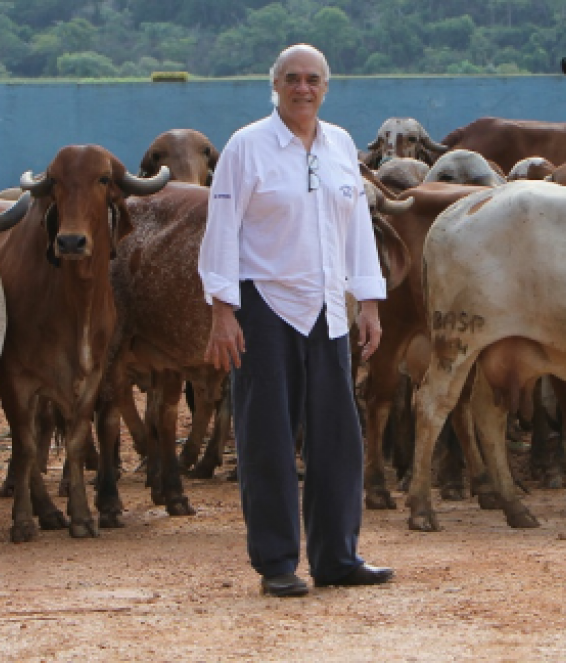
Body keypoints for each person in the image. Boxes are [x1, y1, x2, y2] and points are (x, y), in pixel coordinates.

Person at [199, 43, 393, 598]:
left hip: (330, 308)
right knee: (267, 438)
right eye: (292, 79)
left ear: (326, 87)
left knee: (338, 438)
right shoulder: (246, 146)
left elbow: (357, 226)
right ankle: (279, 563)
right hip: (265, 308)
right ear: (275, 85)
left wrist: (369, 301)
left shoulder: (339, 145)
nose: (302, 88)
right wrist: (222, 310)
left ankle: (337, 557)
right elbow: (222, 228)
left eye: (312, 79)